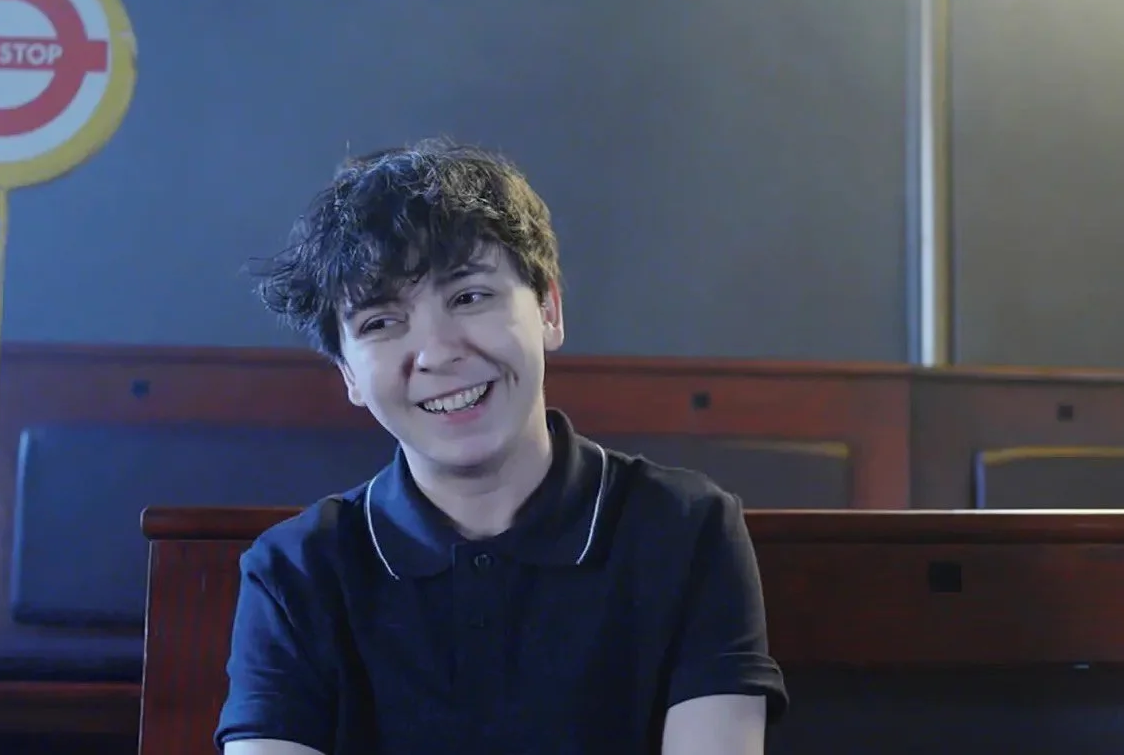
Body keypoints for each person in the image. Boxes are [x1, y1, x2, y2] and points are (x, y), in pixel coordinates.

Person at [218, 138, 788, 754]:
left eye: (469, 297)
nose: (438, 353)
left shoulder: (686, 530)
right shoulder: (294, 572)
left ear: (548, 308)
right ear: (349, 375)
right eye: (381, 323)